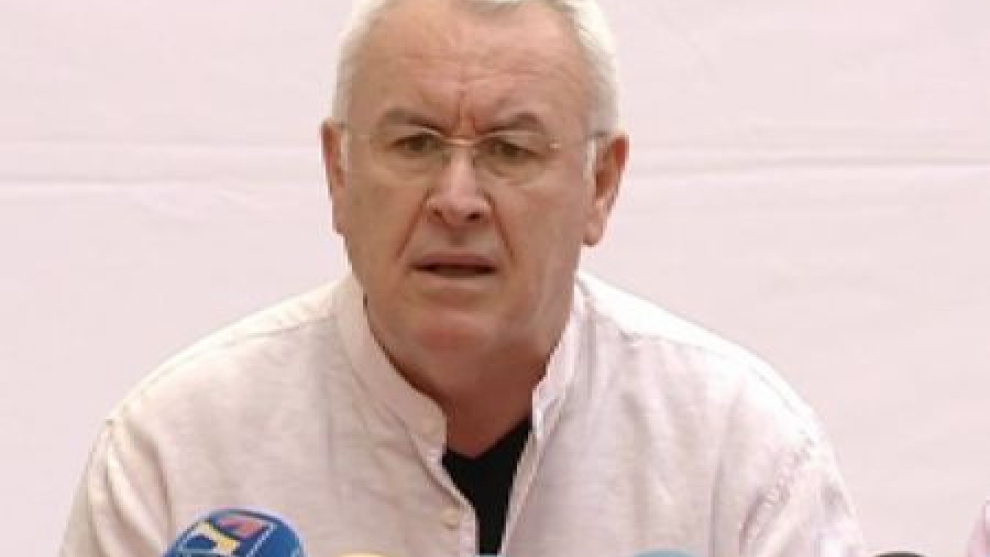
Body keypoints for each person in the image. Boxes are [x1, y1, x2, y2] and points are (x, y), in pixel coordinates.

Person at [60, 0, 865, 556]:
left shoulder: (740, 454)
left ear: (601, 184)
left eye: (511, 150)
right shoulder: (177, 451)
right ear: (339, 171)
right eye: (414, 143)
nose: (456, 199)